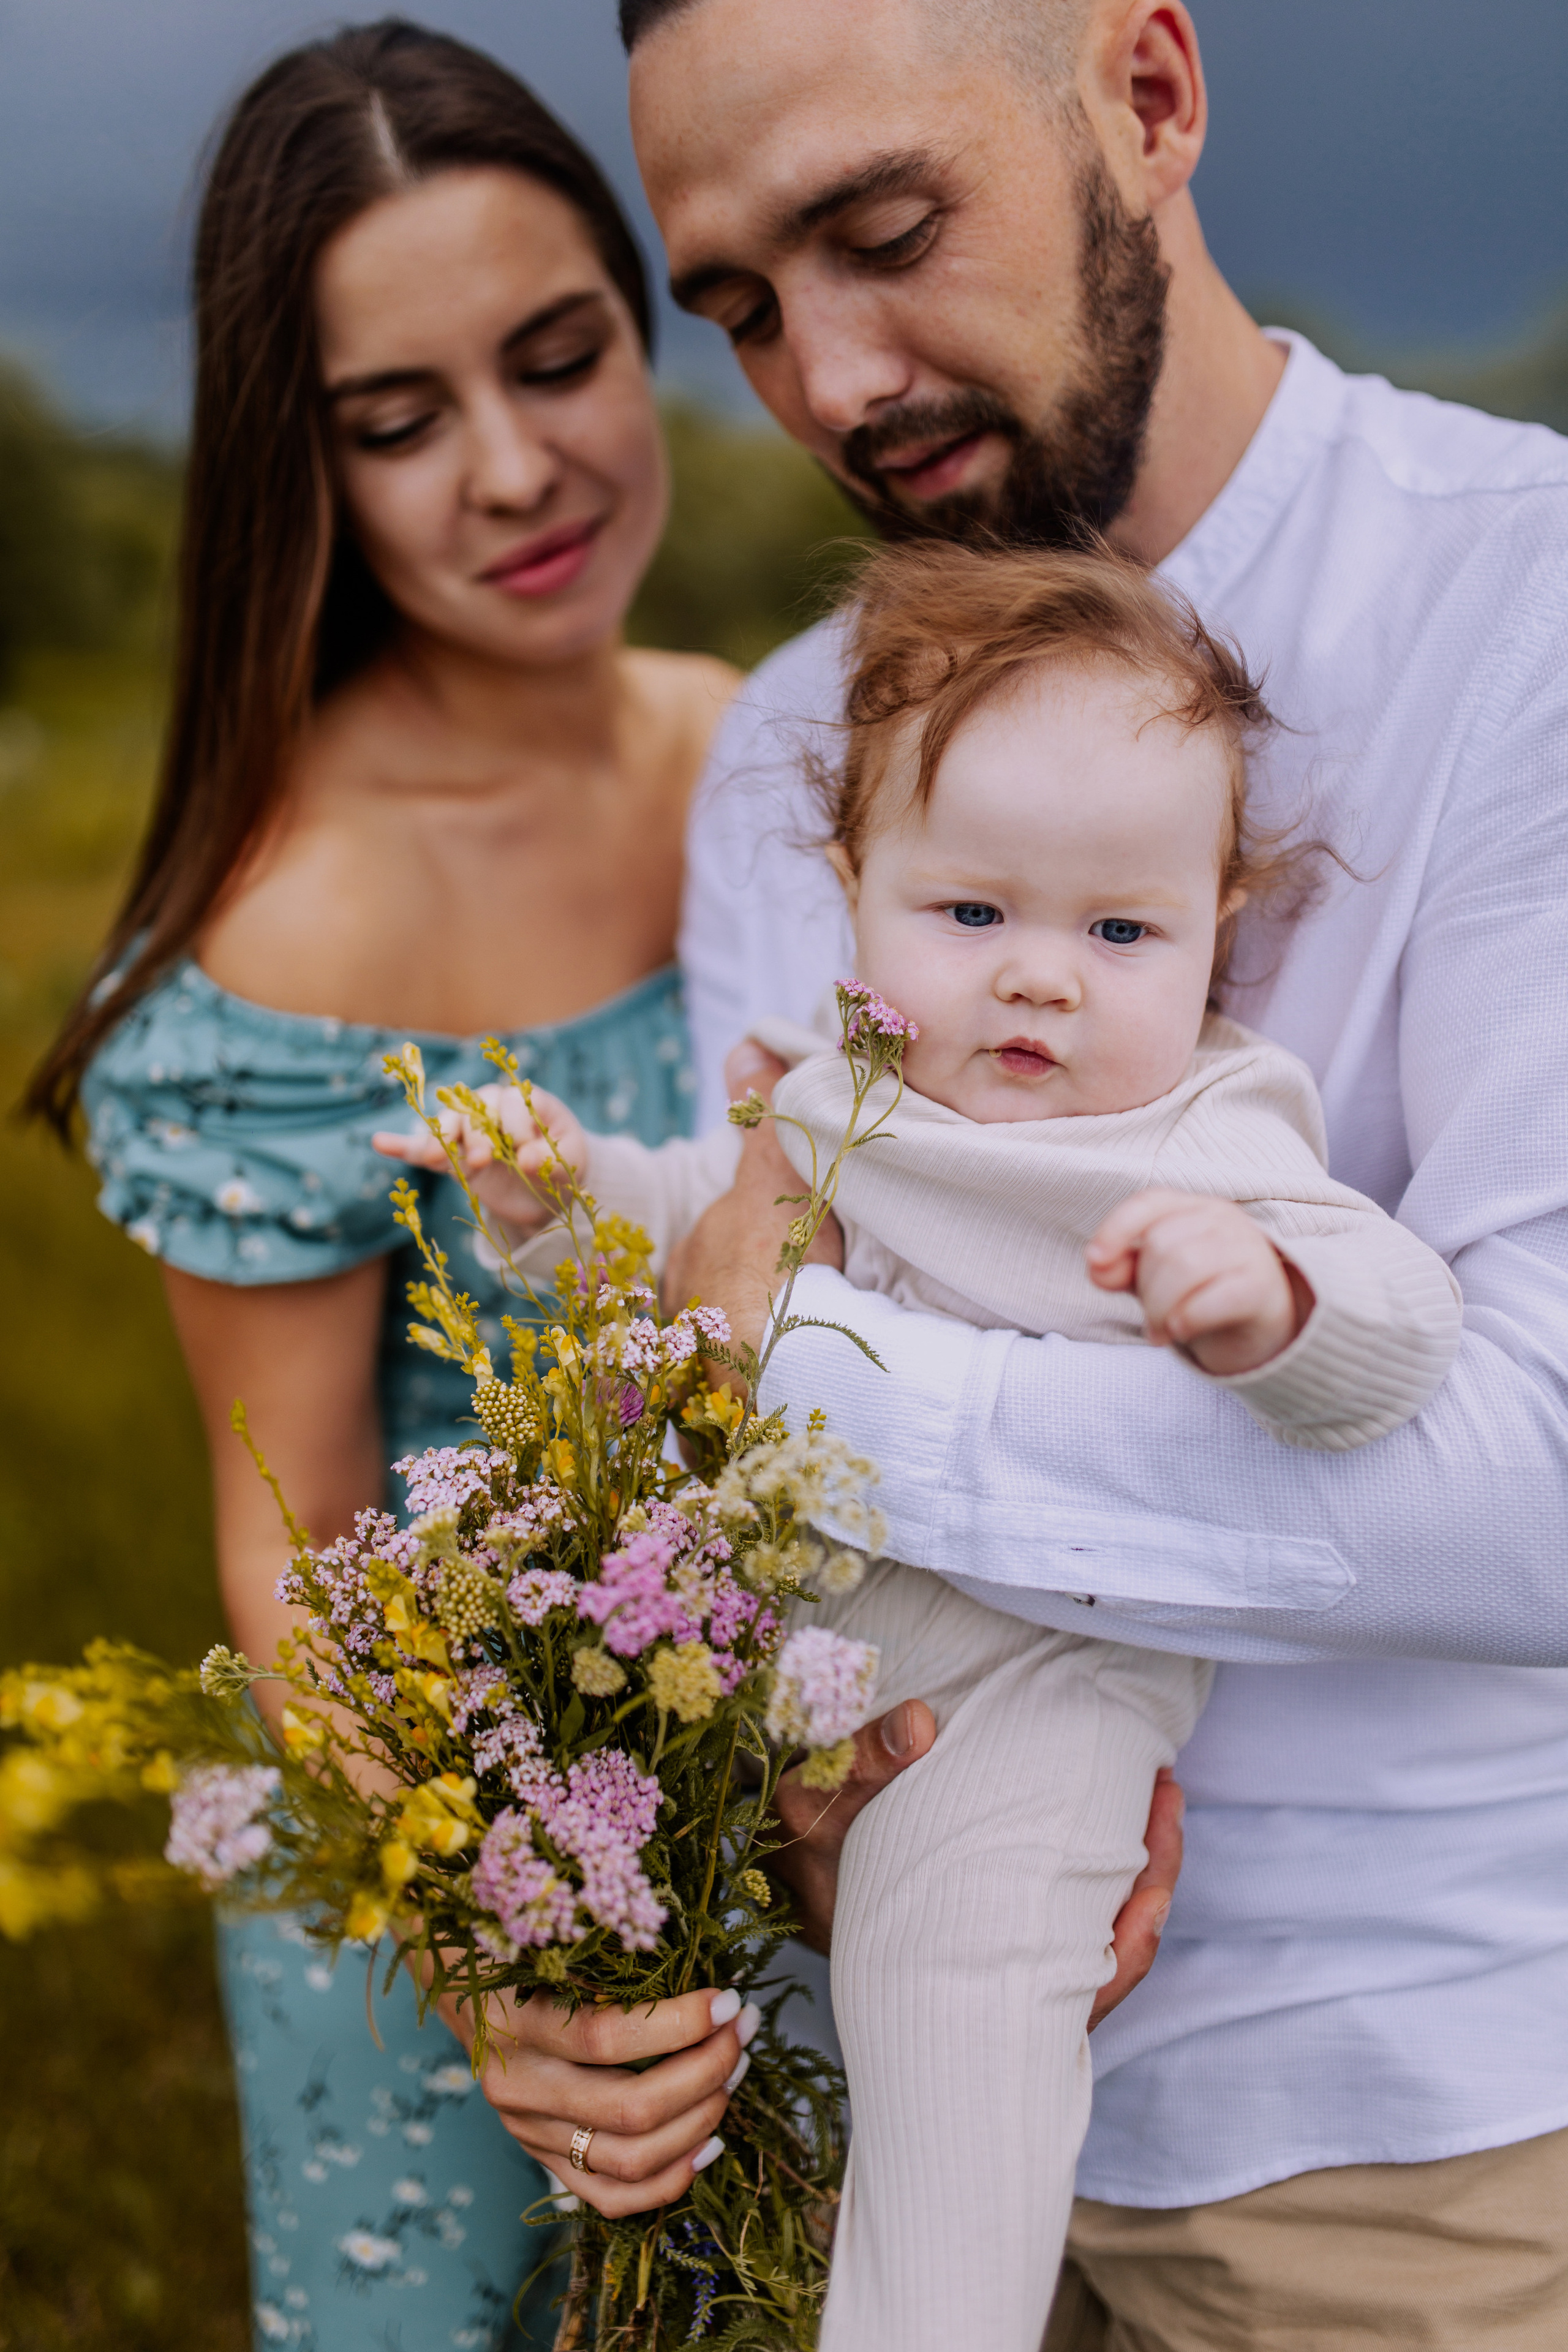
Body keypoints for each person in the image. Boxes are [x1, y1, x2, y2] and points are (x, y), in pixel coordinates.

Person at [460, 2, 1568, 2343]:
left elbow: (1538, 1485)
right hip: (873, 2103)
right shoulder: (796, 732)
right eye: (746, 307)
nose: (834, 380)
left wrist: (813, 1399)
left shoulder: (1531, 618)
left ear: (1149, 99)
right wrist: (589, 1889)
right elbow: (695, 1346)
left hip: (1397, 2148)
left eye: (884, 231)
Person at [380, 538, 1464, 2350]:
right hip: (791, 1679)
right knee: (747, 2033)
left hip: (1032, 1684)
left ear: (1217, 928)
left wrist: (1265, 1299)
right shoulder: (834, 1088)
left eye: (1121, 933)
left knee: (953, 2028)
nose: (1041, 983)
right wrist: (549, 1190)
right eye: (972, 916)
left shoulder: (1202, 1127)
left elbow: (1403, 1329)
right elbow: (691, 1246)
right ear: (854, 888)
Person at [27, 23, 750, 2350]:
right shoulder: (300, 921)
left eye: (558, 359)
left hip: (789, 1783)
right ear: (297, 462)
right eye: (399, 419)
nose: (520, 470)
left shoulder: (753, 746)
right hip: (439, 1826)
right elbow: (299, 1541)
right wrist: (498, 1963)